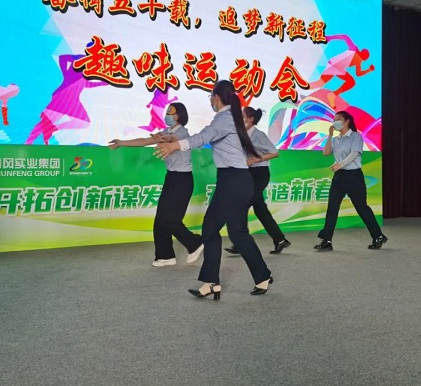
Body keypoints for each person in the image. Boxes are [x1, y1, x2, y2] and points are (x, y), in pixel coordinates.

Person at [154, 80, 273, 300]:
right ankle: (248, 277)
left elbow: (204, 137)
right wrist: (174, 140)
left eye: (210, 95)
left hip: (233, 181)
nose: (210, 99)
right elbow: (205, 136)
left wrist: (175, 145)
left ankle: (220, 281)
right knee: (227, 231)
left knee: (223, 230)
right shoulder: (231, 118)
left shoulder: (225, 118)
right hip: (235, 180)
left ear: (216, 97)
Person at [109, 102, 204, 267]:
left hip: (182, 180)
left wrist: (164, 139)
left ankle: (195, 243)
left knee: (171, 219)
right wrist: (121, 142)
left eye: (171, 112)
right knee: (160, 219)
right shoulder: (166, 131)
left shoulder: (182, 132)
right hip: (171, 178)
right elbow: (144, 141)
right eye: (167, 112)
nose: (167, 115)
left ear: (179, 115)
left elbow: (172, 140)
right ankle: (165, 256)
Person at [314, 110, 387, 251]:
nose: (335, 122)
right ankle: (327, 240)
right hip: (339, 177)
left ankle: (378, 236)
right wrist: (330, 135)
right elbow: (326, 152)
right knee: (332, 208)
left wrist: (340, 164)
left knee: (361, 207)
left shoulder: (356, 136)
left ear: (347, 121)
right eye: (334, 120)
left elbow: (354, 154)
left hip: (354, 176)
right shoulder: (336, 139)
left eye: (338, 119)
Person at [224, 106, 291, 255]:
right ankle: (280, 239)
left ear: (251, 119)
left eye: (242, 116)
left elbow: (274, 153)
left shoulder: (258, 135)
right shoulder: (242, 135)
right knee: (260, 208)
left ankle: (241, 243)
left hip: (259, 174)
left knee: (242, 205)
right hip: (248, 174)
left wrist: (255, 159)